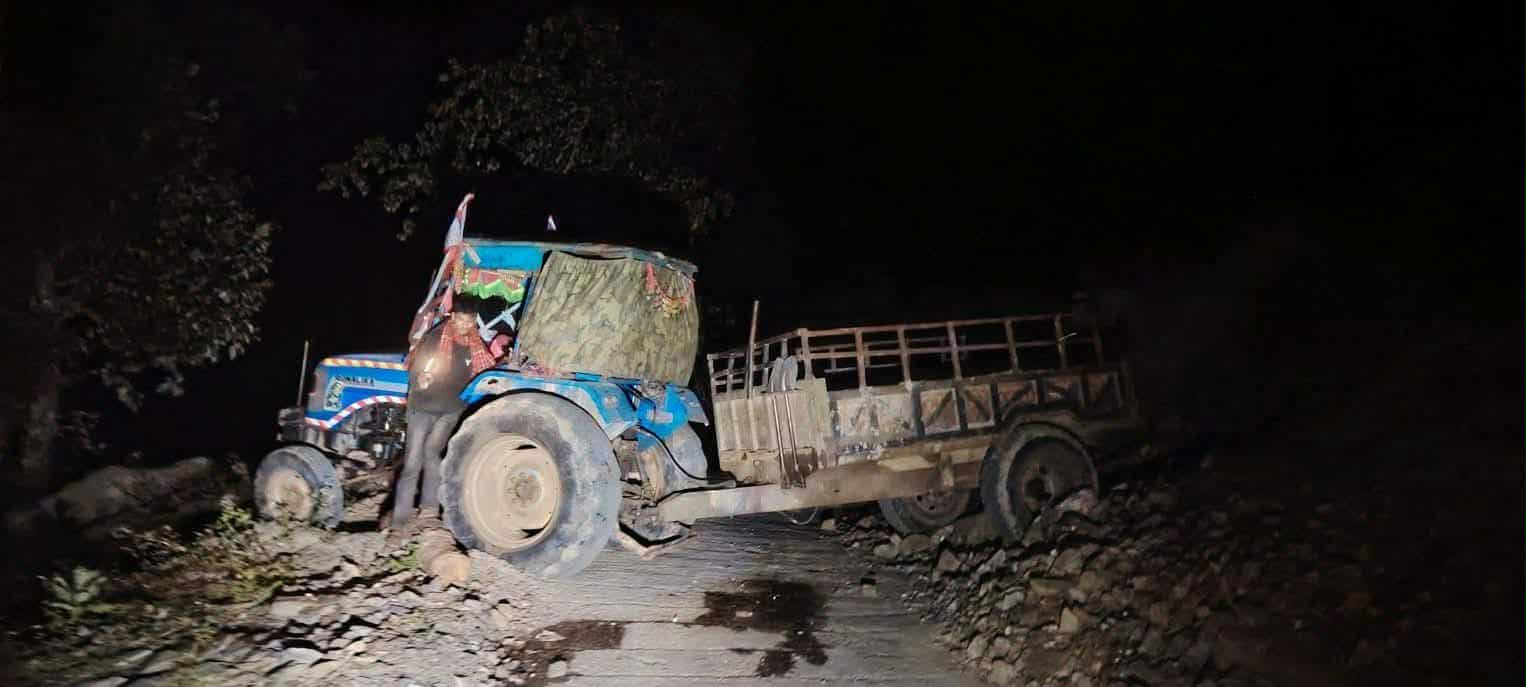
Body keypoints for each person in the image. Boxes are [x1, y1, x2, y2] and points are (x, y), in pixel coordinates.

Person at [390, 296, 495, 532]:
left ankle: (429, 510)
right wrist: (421, 379)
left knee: (433, 454)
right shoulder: (435, 338)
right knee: (413, 461)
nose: (465, 326)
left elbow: (483, 371)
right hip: (423, 407)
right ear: (453, 316)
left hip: (450, 410)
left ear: (474, 321)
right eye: (461, 320)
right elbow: (416, 367)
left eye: (470, 322)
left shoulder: (476, 345)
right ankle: (400, 519)